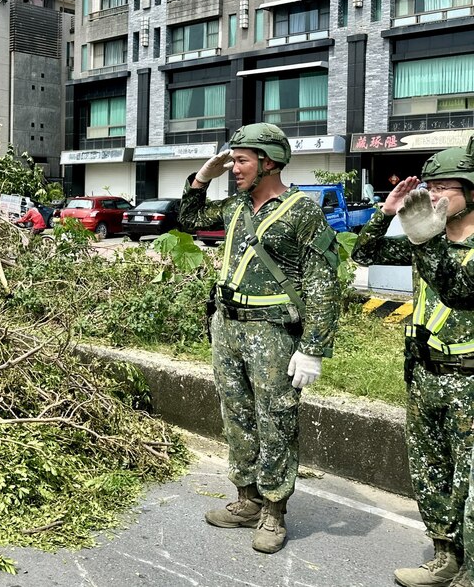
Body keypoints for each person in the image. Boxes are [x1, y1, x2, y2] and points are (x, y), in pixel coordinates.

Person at [177, 122, 340, 554]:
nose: (234, 168)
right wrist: (201, 178)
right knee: (237, 415)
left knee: (276, 419)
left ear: (270, 163)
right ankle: (247, 500)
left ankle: (273, 510)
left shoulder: (302, 211)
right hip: (227, 326)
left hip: (272, 332)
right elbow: (189, 218)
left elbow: (323, 283)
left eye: (242, 161)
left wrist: (313, 348)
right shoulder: (236, 206)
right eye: (233, 161)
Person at [353, 145, 474, 587]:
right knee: (430, 471)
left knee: (470, 485)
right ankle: (445, 557)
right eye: (430, 187)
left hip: (469, 380)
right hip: (425, 374)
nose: (433, 196)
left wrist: (427, 239)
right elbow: (364, 254)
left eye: (445, 188)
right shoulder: (424, 242)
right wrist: (385, 213)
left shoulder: (436, 245)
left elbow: (458, 289)